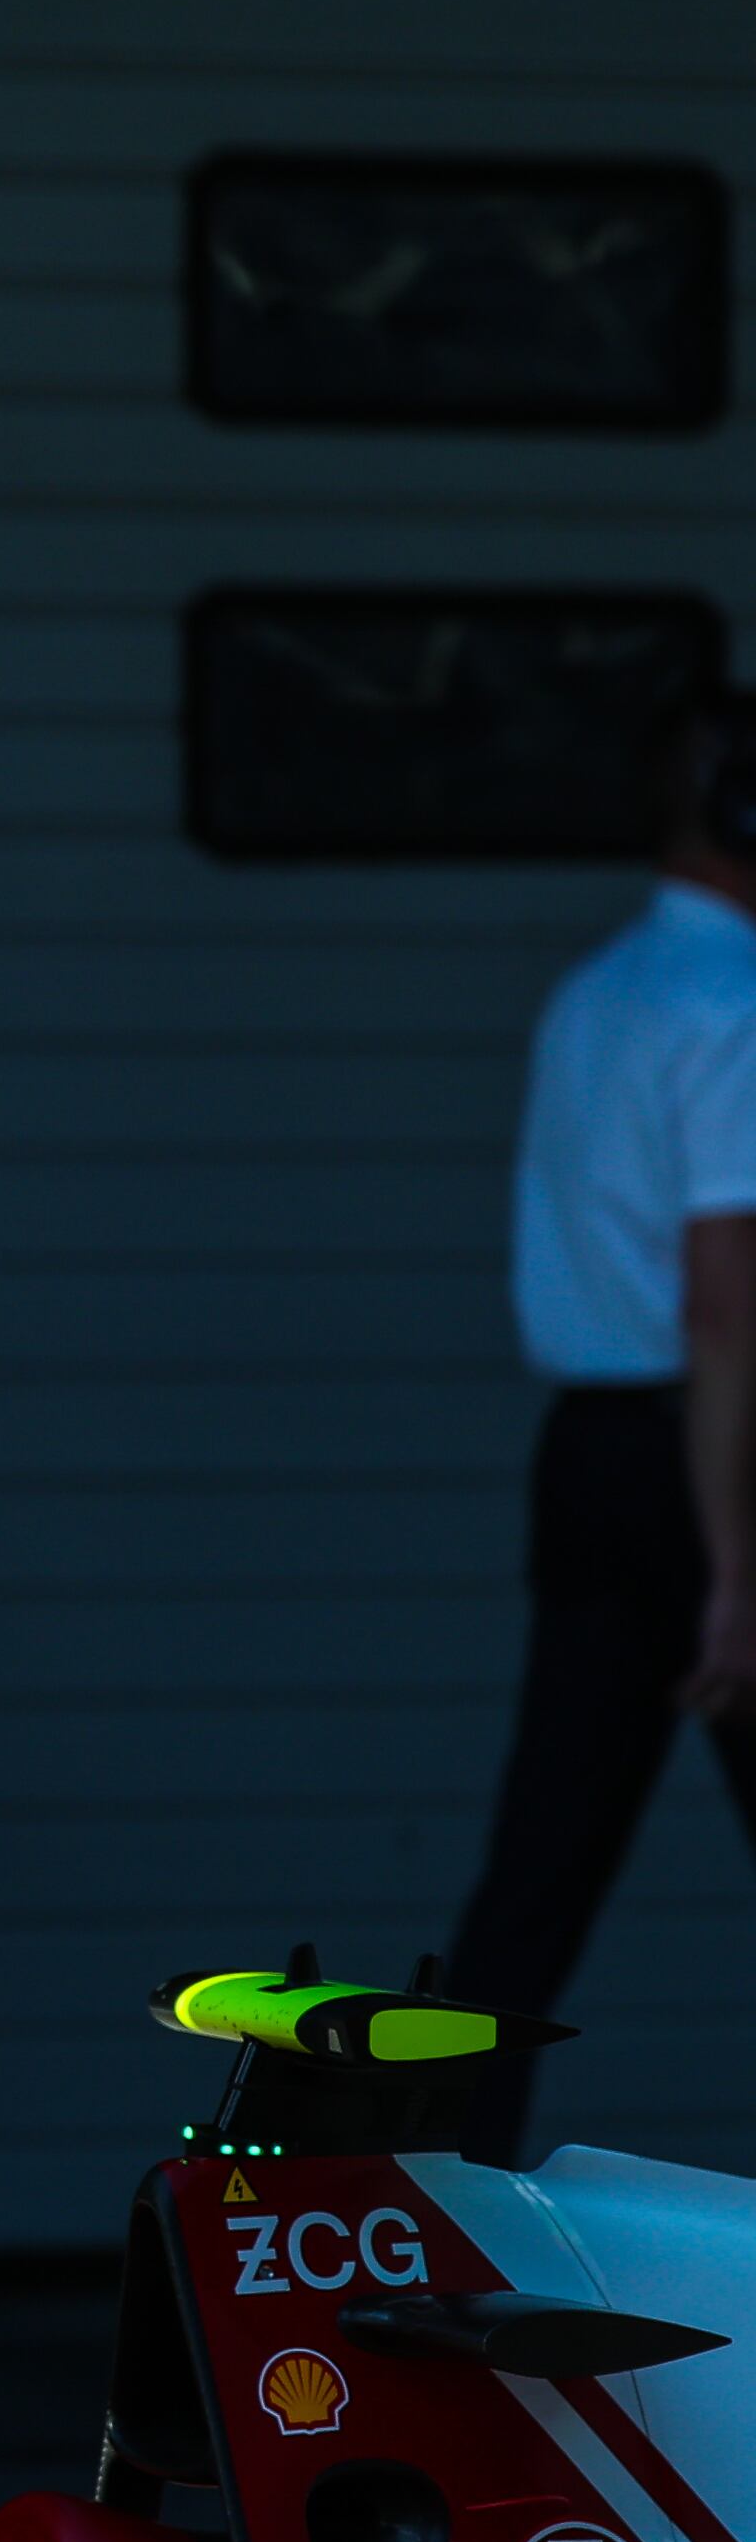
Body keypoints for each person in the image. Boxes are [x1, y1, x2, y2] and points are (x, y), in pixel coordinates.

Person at [453, 687, 756, 2164]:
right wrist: (736, 1558)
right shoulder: (734, 1004)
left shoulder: (596, 992)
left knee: (540, 1864)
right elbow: (725, 1302)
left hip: (590, 1456)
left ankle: (434, 2199)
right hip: (711, 1457)